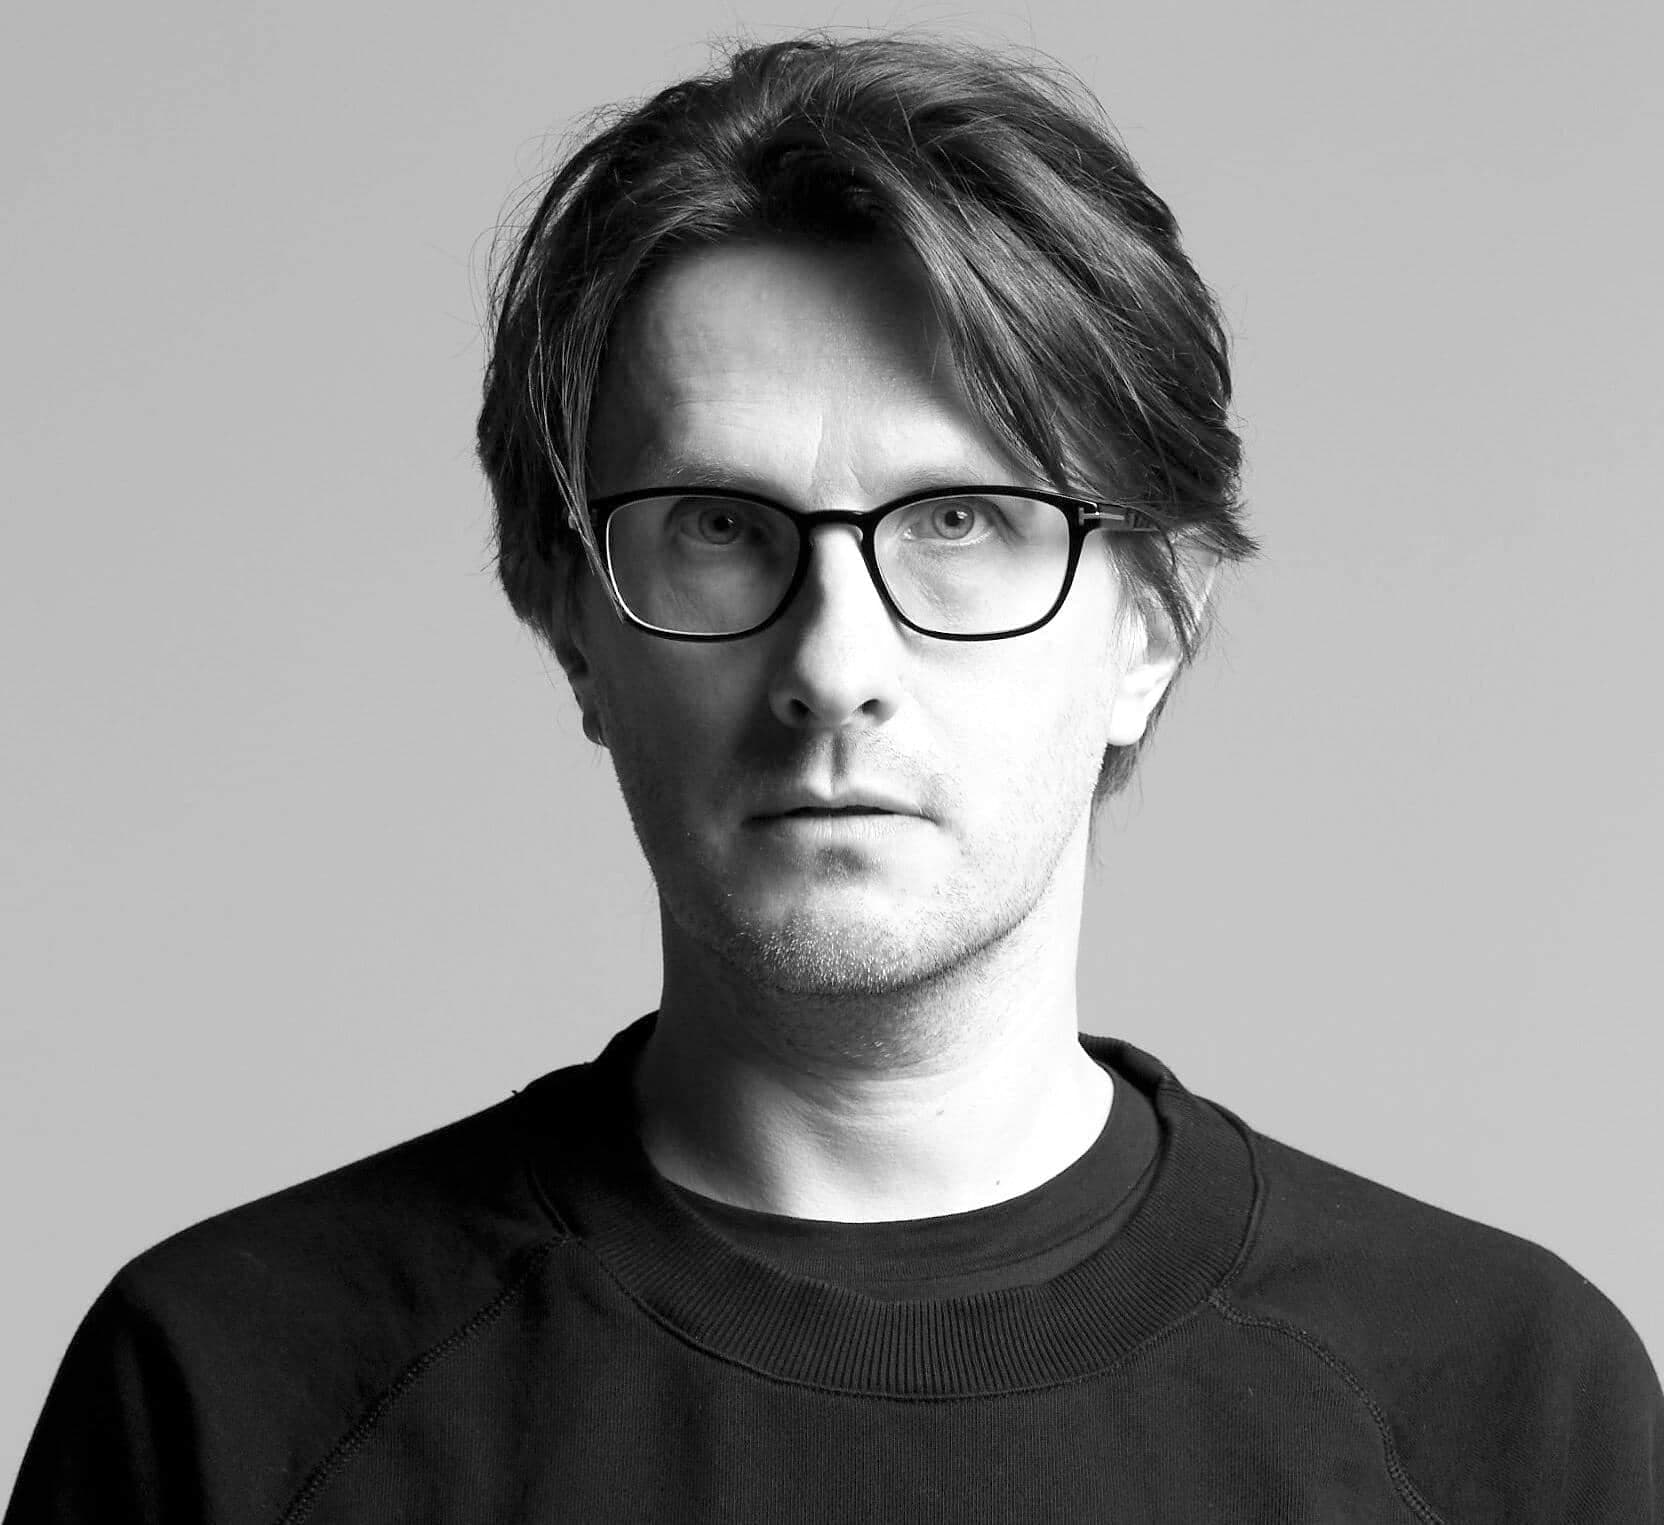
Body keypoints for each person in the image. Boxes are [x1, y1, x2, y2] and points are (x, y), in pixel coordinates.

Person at [7, 32, 1659, 1524]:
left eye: (963, 520)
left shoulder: (1506, 1406)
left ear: (1154, 623)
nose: (834, 662)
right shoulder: (231, 1398)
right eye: (721, 527)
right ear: (571, 622)